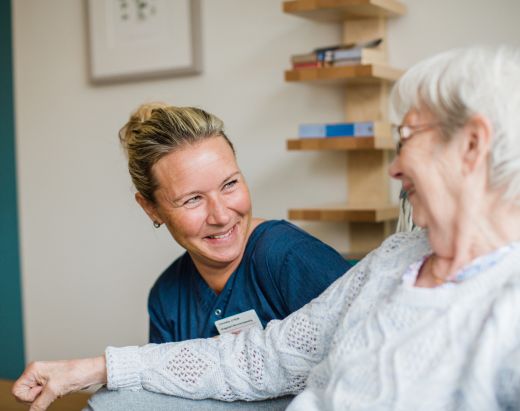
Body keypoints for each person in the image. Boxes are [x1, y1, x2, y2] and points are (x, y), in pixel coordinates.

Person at [13, 46, 520, 411]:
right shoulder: (394, 257)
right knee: (116, 403)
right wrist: (95, 367)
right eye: (191, 199)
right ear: (152, 208)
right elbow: (266, 356)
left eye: (406, 137)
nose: (393, 167)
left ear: (472, 145)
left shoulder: (506, 301)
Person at [119, 103, 352, 343]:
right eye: (193, 199)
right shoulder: (167, 297)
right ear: (151, 209)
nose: (221, 216)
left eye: (229, 184)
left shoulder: (292, 259)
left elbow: (371, 357)